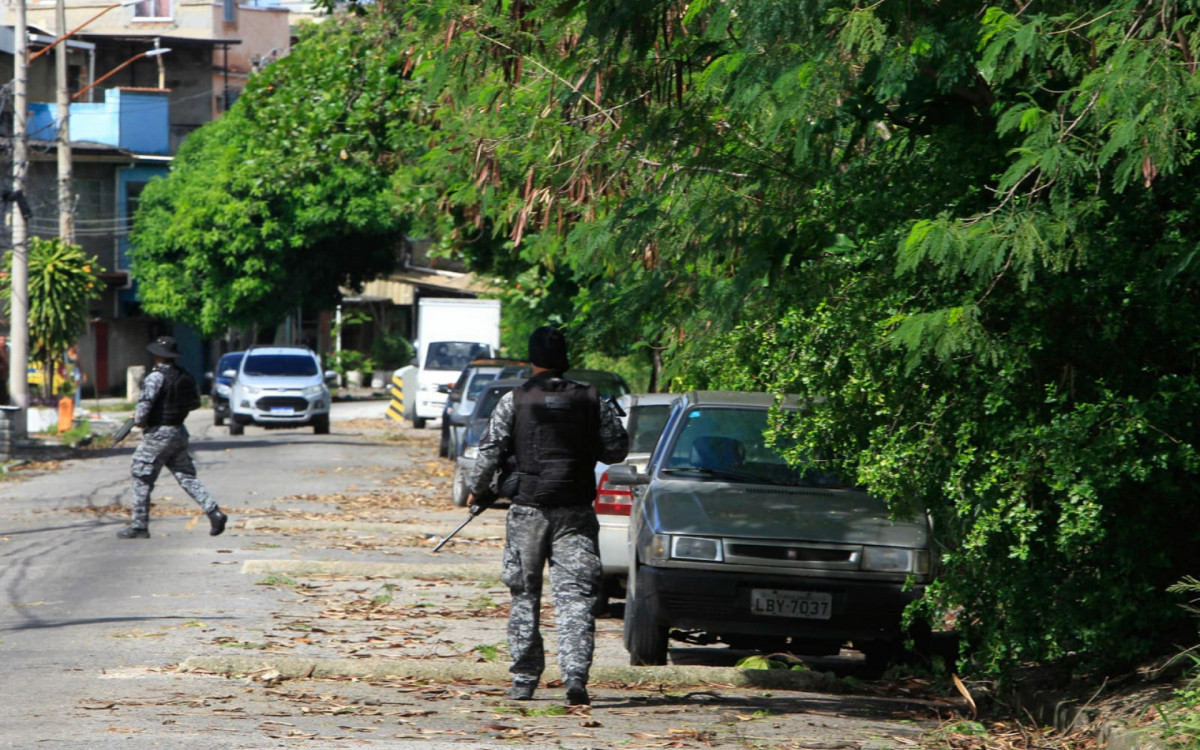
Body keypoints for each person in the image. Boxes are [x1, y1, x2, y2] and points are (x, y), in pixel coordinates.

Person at [466, 326, 629, 706]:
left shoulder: (515, 400)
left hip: (528, 512)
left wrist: (478, 489)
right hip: (575, 513)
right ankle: (575, 679)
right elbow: (616, 451)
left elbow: (490, 451)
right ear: (565, 358)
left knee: (524, 596)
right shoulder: (593, 400)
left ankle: (524, 680)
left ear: (532, 360)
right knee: (576, 599)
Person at [118, 335, 228, 539]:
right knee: (186, 476)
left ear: (157, 356)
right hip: (178, 431)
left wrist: (140, 419)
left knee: (142, 477)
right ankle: (214, 512)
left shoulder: (155, 377)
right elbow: (195, 403)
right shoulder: (185, 375)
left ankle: (139, 526)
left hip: (158, 435)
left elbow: (143, 409)